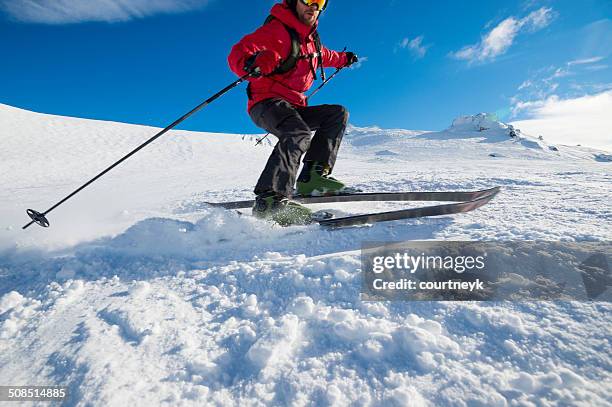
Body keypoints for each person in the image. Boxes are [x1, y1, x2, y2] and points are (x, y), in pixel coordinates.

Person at [228, 0, 358, 226]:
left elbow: (324, 56)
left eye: (319, 2)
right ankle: (271, 199)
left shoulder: (311, 41)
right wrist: (252, 63)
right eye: (308, 0)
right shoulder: (277, 30)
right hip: (266, 102)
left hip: (294, 106)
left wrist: (343, 59)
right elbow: (239, 52)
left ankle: (313, 178)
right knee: (297, 133)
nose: (313, 6)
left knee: (336, 114)